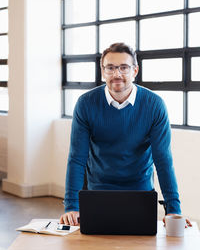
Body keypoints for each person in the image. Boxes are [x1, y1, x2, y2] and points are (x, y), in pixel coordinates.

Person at [60, 42, 191, 227]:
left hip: (140, 193)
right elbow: (77, 158)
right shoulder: (85, 104)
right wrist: (72, 206)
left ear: (135, 70)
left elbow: (163, 160)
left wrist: (173, 210)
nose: (117, 74)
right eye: (110, 68)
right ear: (102, 71)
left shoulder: (154, 105)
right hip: (97, 192)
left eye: (123, 67)